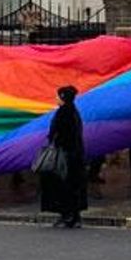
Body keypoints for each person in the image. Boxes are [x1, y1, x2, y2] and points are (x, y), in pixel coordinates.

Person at [40, 85, 87, 228]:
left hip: (65, 156)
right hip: (74, 155)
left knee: (63, 186)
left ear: (63, 98)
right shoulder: (73, 112)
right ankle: (74, 215)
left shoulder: (64, 113)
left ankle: (67, 215)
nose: (56, 98)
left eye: (58, 96)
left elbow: (62, 134)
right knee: (73, 186)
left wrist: (55, 141)